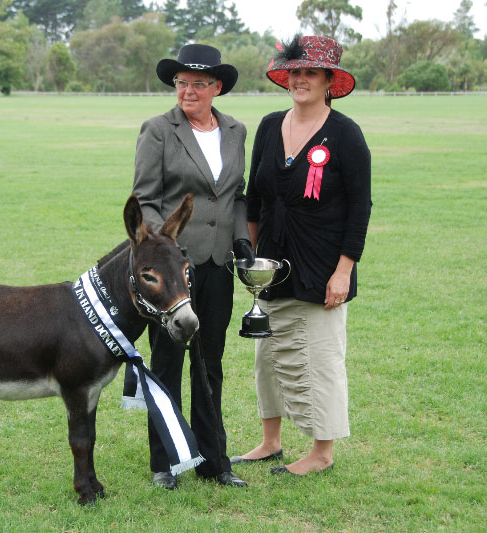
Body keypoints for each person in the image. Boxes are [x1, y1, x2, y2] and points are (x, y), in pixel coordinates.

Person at [232, 35, 371, 475]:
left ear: (329, 80)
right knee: (268, 356)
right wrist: (254, 257)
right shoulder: (271, 126)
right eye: (295, 71)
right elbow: (254, 199)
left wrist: (343, 271)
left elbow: (360, 206)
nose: (301, 79)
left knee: (319, 358)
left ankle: (321, 452)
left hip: (321, 265)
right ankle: (270, 441)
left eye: (311, 72)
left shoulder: (345, 134)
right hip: (272, 263)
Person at [132, 44, 255, 489]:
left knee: (210, 362)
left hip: (218, 264)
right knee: (166, 362)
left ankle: (213, 461)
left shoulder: (237, 131)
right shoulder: (158, 130)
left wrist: (242, 239)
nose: (187, 91)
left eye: (198, 84)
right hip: (173, 272)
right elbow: (145, 199)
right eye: (181, 82)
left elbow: (235, 196)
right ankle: (165, 462)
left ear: (216, 87)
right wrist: (164, 247)